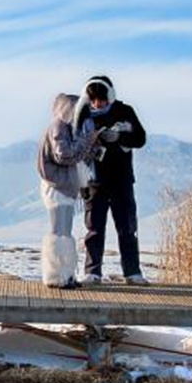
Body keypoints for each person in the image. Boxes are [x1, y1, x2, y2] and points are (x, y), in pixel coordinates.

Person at [75, 75, 150, 285]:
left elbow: (141, 138)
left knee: (127, 227)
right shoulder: (81, 114)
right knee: (93, 228)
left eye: (102, 99)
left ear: (110, 96)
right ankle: (92, 272)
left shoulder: (124, 111)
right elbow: (75, 145)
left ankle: (132, 272)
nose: (98, 104)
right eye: (94, 100)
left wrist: (119, 137)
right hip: (93, 180)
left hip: (121, 178)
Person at [37, 92, 101, 289]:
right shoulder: (58, 127)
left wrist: (92, 144)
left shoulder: (66, 129)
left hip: (64, 186)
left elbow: (75, 156)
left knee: (64, 232)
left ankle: (65, 275)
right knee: (59, 232)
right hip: (58, 186)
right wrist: (85, 141)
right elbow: (63, 156)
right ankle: (57, 276)